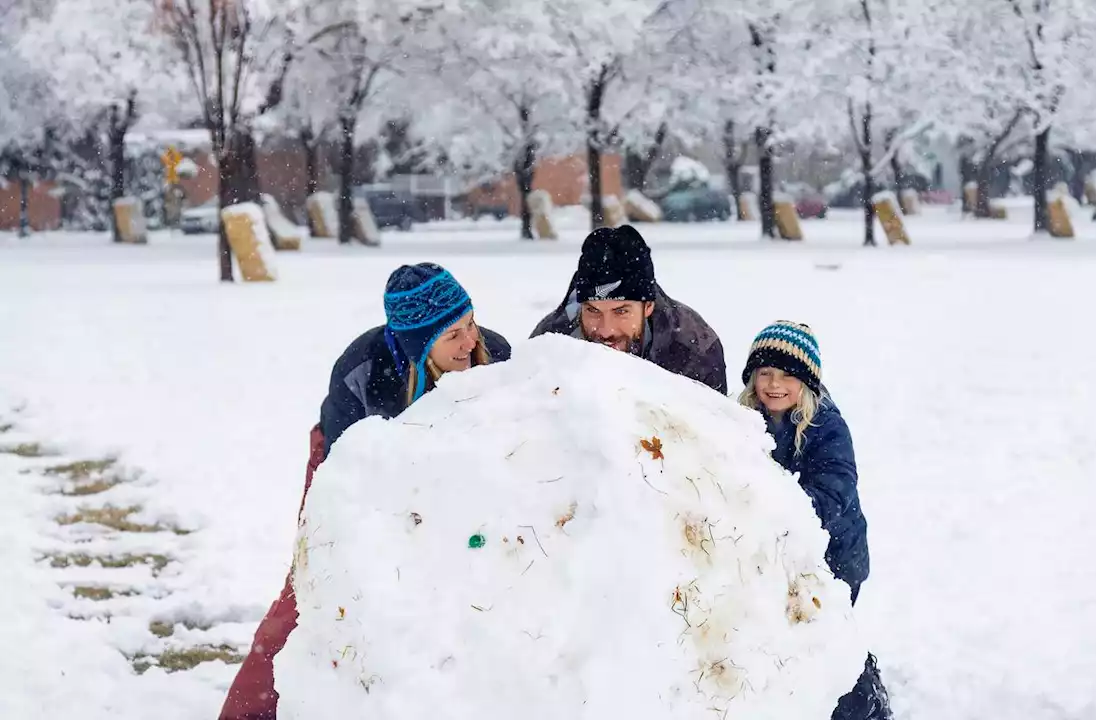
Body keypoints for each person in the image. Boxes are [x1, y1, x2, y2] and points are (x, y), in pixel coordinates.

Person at [219, 263, 511, 720]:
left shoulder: (495, 356)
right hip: (350, 466)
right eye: (453, 335)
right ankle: (250, 712)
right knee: (316, 591)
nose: (471, 342)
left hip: (451, 475)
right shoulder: (361, 372)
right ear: (419, 344)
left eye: (470, 323)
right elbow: (348, 481)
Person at [738, 321, 890, 720]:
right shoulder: (740, 419)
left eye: (787, 375)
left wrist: (762, 501)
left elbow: (832, 497)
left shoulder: (826, 427)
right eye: (765, 373)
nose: (774, 385)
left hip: (834, 559)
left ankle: (865, 705)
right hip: (777, 555)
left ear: (806, 382)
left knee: (823, 640)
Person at [530, 224, 727, 394]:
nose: (606, 331)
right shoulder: (548, 343)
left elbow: (716, 431)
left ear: (648, 306)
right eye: (593, 311)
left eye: (621, 311)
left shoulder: (693, 348)